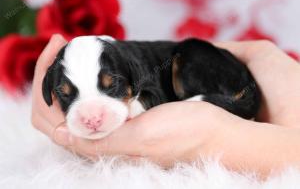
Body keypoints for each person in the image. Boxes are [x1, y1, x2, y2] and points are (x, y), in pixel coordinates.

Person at [31, 34, 300, 178]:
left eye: (110, 87)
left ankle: (224, 103)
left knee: (190, 57)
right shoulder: (119, 63)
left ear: (131, 76)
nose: (90, 116)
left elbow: (150, 93)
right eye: (67, 95)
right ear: (50, 91)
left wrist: (215, 135)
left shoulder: (131, 65)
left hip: (213, 69)